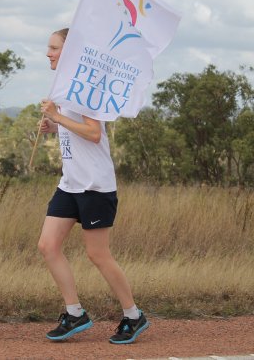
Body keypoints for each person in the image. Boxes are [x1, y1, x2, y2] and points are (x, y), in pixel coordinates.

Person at [37, 28, 149, 344]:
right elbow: (73, 129)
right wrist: (53, 125)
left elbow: (93, 133)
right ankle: (75, 313)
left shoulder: (85, 87)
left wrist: (58, 117)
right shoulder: (63, 86)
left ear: (70, 51)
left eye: (54, 48)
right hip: (70, 184)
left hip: (95, 185)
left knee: (97, 254)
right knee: (47, 246)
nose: (48, 53)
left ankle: (133, 315)